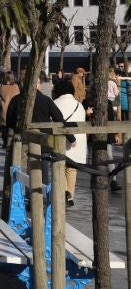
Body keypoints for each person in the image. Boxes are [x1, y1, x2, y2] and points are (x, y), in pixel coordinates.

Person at [52, 79, 86, 207]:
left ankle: (64, 191)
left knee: (59, 167)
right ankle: (70, 196)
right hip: (77, 143)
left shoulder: (54, 103)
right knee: (71, 170)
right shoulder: (79, 105)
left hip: (60, 141)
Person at [0, 71, 19, 149]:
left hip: (4, 110)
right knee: (12, 128)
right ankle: (11, 143)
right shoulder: (16, 87)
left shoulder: (2, 87)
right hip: (13, 110)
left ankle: (5, 143)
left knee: (4, 128)